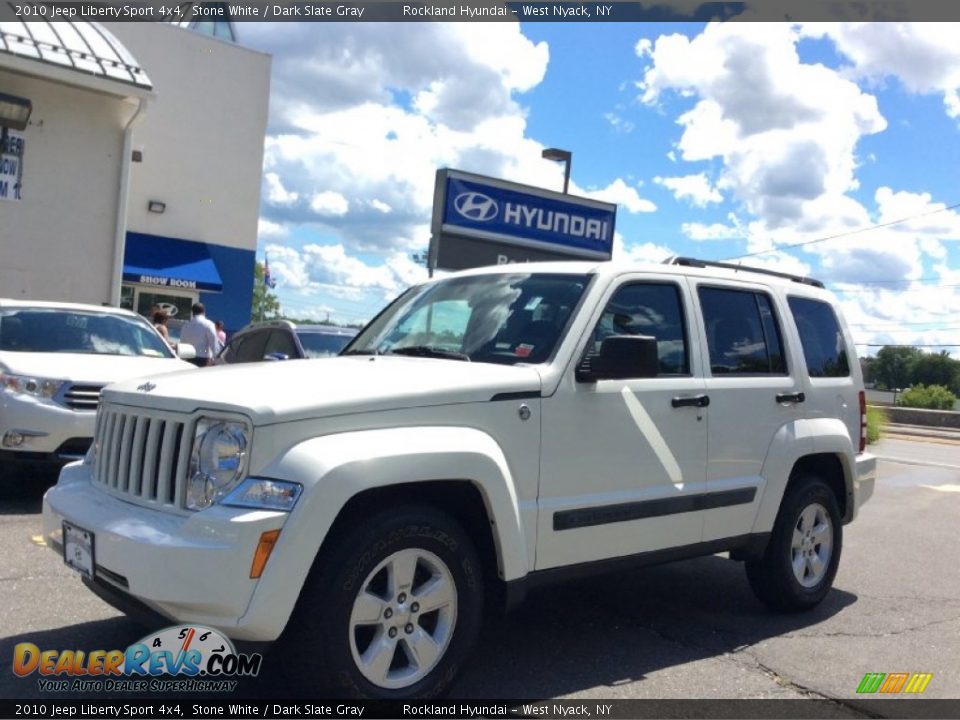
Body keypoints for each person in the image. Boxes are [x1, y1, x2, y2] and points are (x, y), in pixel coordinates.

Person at [179, 302, 219, 367]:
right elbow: (214, 343)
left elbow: (182, 342)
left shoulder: (186, 326)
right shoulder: (208, 324)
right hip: (203, 359)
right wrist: (216, 359)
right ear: (204, 312)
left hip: (188, 358)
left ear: (193, 313)